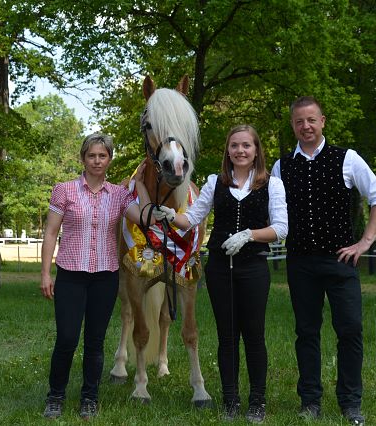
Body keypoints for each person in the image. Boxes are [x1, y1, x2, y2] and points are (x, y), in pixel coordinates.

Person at [153, 124, 288, 423]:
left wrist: (249, 235)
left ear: (256, 151)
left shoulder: (271, 184)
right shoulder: (216, 182)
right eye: (235, 145)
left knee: (254, 336)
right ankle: (230, 399)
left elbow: (280, 228)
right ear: (228, 150)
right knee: (226, 337)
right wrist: (171, 217)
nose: (240, 151)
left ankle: (257, 401)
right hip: (219, 270)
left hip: (253, 268)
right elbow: (192, 219)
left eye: (246, 146)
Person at [271, 96, 376, 426]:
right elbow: (270, 211)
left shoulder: (347, 159)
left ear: (322, 121)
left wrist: (364, 242)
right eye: (299, 122)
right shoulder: (281, 167)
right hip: (300, 263)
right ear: (293, 125)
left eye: (311, 120)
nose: (305, 126)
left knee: (350, 330)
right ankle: (310, 401)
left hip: (340, 262)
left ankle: (351, 402)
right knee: (306, 332)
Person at [40, 133, 152, 420]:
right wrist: (45, 273)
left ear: (109, 160)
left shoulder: (118, 195)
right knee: (66, 338)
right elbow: (51, 232)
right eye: (92, 155)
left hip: (105, 277)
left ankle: (89, 397)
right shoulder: (63, 190)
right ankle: (55, 396)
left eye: (103, 156)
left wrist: (139, 183)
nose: (97, 160)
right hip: (71, 275)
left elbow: (145, 217)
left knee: (95, 341)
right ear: (83, 158)